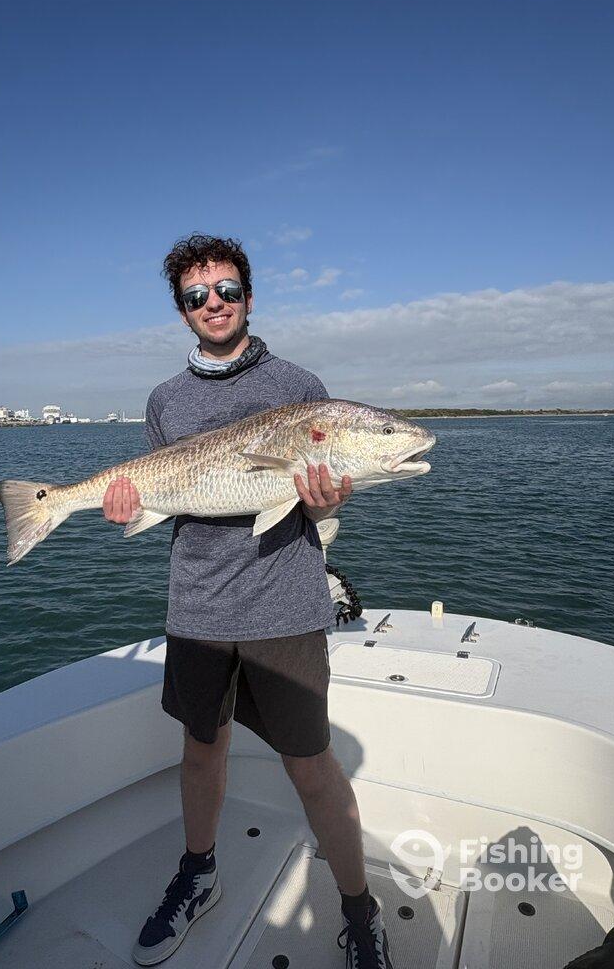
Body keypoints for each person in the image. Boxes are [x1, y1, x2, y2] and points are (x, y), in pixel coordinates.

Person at [103, 233, 394, 968]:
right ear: (182, 310)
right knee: (201, 751)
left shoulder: (300, 385)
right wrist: (125, 505)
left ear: (249, 297)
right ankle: (199, 874)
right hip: (197, 607)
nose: (214, 305)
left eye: (227, 290)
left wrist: (330, 498)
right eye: (197, 296)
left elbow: (320, 502)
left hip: (285, 606)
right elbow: (160, 494)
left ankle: (360, 913)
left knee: (312, 764)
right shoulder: (164, 401)